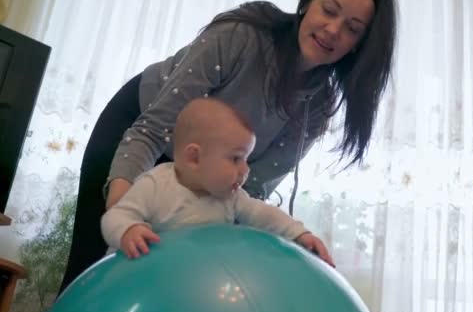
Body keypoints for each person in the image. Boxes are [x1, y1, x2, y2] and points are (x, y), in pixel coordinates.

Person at [59, 0, 396, 293]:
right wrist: (124, 217)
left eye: (352, 29)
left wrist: (295, 234)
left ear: (360, 46)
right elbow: (151, 130)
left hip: (212, 171)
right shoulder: (241, 36)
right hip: (143, 131)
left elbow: (249, 190)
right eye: (329, 10)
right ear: (307, 3)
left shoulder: (318, 107)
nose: (333, 30)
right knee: (95, 265)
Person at [101, 98, 334, 266]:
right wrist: (129, 229)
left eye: (246, 159)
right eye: (236, 158)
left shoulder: (231, 198)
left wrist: (298, 233)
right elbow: (115, 216)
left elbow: (264, 214)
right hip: (140, 277)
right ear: (195, 158)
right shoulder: (155, 185)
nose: (245, 169)